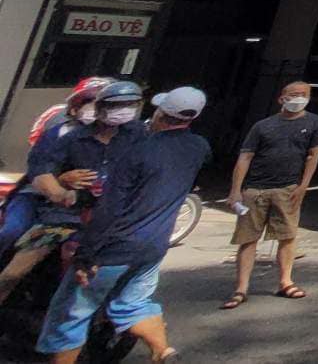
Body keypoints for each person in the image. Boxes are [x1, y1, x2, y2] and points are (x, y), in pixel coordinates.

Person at [36, 86, 210, 364]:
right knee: (134, 304)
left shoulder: (138, 151)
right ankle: (163, 351)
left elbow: (109, 210)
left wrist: (86, 256)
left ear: (160, 113)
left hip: (115, 246)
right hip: (154, 246)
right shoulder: (198, 147)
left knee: (71, 313)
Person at [0, 82, 145, 306]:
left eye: (129, 104)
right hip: (64, 217)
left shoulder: (137, 137)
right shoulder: (69, 137)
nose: (122, 110)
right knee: (13, 272)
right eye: (115, 105)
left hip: (111, 220)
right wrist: (61, 190)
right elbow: (41, 172)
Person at [223, 81, 318, 309]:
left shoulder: (314, 123)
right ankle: (241, 288)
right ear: (281, 98)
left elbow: (313, 156)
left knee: (287, 235)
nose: (298, 98)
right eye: (293, 94)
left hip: (288, 188)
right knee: (248, 238)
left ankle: (285, 282)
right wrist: (236, 191)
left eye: (303, 94)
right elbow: (245, 157)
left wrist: (303, 186)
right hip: (255, 189)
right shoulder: (262, 126)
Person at [0, 78, 109, 252]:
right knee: (11, 232)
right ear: (74, 108)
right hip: (36, 198)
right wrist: (59, 182)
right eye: (89, 101)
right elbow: (39, 167)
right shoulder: (58, 132)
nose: (95, 108)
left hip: (82, 209)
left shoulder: (125, 141)